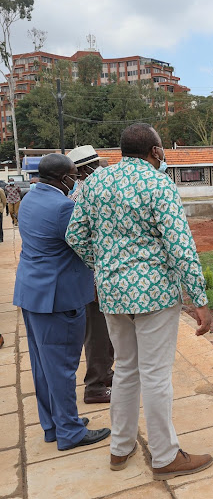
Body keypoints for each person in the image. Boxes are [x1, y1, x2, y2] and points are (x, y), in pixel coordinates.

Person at [66, 123, 213, 479]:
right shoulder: (158, 183)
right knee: (156, 374)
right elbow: (180, 245)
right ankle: (164, 456)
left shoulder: (96, 183)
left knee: (127, 371)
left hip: (113, 294)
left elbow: (75, 235)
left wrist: (102, 265)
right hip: (154, 294)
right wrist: (198, 299)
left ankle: (120, 448)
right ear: (156, 151)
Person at [12, 154, 111, 451]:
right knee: (63, 368)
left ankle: (54, 425)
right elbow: (88, 244)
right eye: (73, 176)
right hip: (58, 299)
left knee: (43, 366)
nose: (77, 180)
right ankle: (69, 431)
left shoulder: (30, 198)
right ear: (61, 178)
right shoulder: (63, 208)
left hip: (32, 293)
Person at [66, 145, 115, 404]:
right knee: (97, 333)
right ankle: (95, 386)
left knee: (106, 331)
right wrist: (96, 267)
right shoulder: (84, 195)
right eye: (97, 165)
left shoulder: (80, 193)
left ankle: (106, 375)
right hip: (94, 278)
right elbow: (75, 238)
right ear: (87, 169)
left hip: (95, 275)